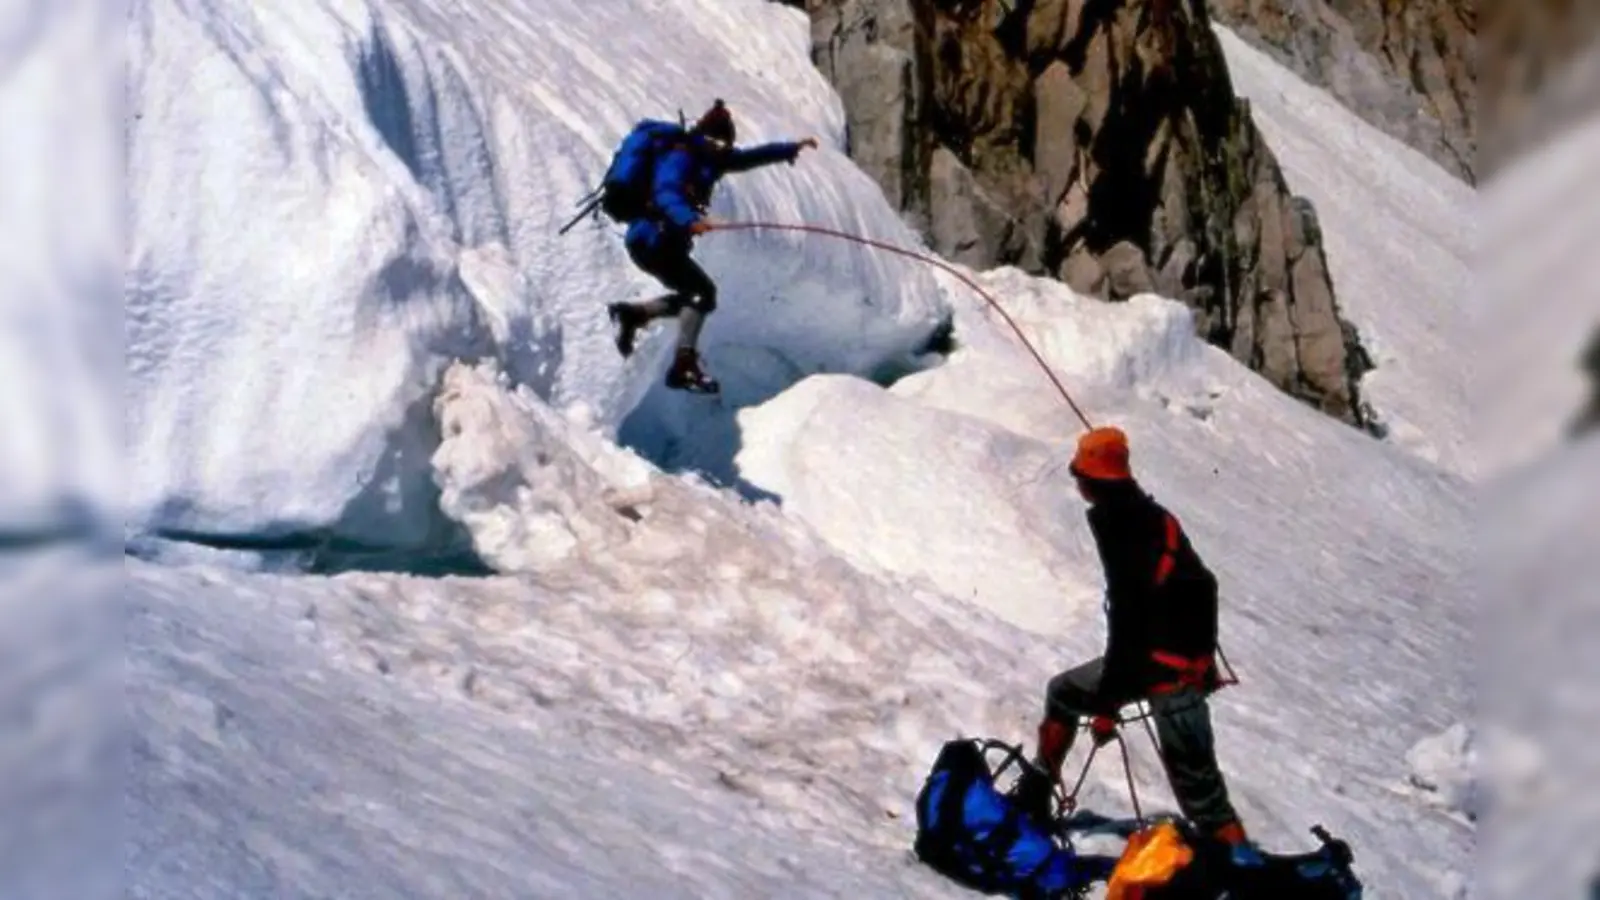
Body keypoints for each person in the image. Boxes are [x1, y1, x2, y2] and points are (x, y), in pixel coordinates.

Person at [1016, 425, 1262, 866]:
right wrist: (1203, 661)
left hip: (1160, 670)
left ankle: (1247, 871)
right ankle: (1035, 794)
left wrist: (1108, 705)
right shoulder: (1151, 516)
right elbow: (1201, 584)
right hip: (1177, 663)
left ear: (1091, 481)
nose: (1077, 484)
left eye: (1080, 476)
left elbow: (1130, 624)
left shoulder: (1120, 530)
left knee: (1200, 795)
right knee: (1065, 692)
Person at [606, 100, 819, 393]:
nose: (724, 151)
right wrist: (689, 219)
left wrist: (789, 149)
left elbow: (748, 158)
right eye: (720, 144)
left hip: (661, 242)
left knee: (699, 295)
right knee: (701, 293)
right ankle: (682, 365)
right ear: (708, 138)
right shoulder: (682, 157)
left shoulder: (709, 159)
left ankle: (635, 314)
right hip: (652, 239)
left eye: (725, 146)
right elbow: (666, 191)